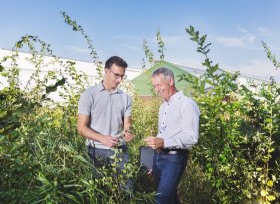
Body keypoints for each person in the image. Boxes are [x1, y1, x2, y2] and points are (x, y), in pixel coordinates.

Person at [145, 67, 200, 204]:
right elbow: (162, 133)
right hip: (159, 157)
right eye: (154, 86)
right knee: (170, 198)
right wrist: (154, 160)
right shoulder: (163, 107)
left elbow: (192, 137)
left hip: (175, 158)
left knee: (161, 199)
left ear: (170, 81)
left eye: (158, 85)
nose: (156, 89)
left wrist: (164, 142)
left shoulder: (187, 104)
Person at [77, 56, 134, 176]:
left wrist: (128, 132)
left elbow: (127, 124)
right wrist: (103, 139)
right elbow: (81, 128)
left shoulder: (125, 98)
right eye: (116, 75)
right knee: (99, 191)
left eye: (122, 76)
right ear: (106, 71)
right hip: (96, 150)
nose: (119, 80)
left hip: (120, 150)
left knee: (126, 190)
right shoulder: (89, 95)